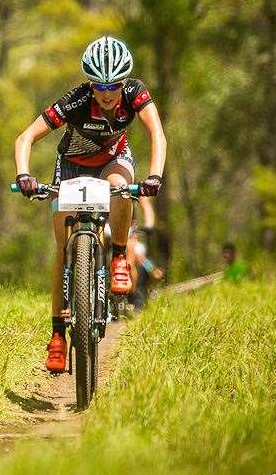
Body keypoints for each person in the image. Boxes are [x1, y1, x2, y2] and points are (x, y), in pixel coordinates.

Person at [14, 36, 167, 372]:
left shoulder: (134, 93)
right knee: (62, 249)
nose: (107, 92)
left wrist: (154, 176)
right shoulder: (77, 101)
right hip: (71, 166)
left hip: (114, 160)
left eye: (113, 84)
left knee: (122, 187)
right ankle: (57, 334)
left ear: (124, 82)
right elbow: (25, 137)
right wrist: (24, 174)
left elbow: (156, 132)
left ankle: (119, 258)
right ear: (90, 83)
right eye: (99, 85)